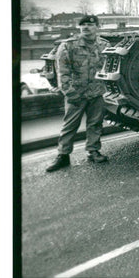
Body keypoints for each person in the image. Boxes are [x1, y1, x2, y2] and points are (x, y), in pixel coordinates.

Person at [46, 15, 111, 172]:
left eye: (90, 25)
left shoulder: (104, 44)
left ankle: (93, 151)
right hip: (76, 93)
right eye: (83, 25)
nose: (86, 28)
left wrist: (106, 88)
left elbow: (108, 68)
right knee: (70, 126)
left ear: (97, 26)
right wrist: (69, 92)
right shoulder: (68, 46)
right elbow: (62, 72)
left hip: (96, 92)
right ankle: (63, 155)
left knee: (95, 124)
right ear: (79, 28)